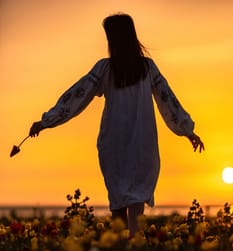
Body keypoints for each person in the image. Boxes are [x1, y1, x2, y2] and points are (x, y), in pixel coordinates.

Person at [29, 13, 204, 236]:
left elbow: (76, 97)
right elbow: (168, 100)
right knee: (134, 208)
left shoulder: (119, 69)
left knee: (119, 205)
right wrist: (46, 122)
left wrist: (46, 120)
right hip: (140, 145)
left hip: (119, 143)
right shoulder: (133, 68)